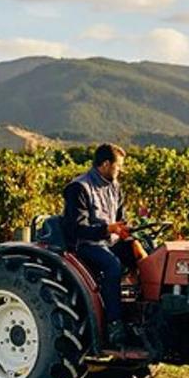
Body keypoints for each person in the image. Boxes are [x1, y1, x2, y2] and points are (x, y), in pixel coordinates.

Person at [62, 144, 131, 346]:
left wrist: (128, 235)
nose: (120, 171)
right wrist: (107, 230)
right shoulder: (79, 188)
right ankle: (114, 324)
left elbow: (121, 220)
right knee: (112, 265)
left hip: (109, 241)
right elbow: (76, 229)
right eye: (118, 166)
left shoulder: (115, 187)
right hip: (85, 244)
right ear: (106, 164)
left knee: (145, 255)